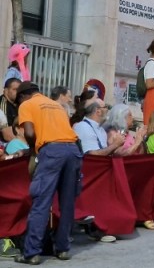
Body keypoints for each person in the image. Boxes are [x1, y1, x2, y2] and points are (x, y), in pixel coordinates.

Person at [13, 82, 82, 265]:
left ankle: (31, 253)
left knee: (41, 202)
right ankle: (63, 249)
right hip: (73, 150)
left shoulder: (27, 105)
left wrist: (34, 149)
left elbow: (29, 132)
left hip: (52, 152)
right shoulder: (56, 105)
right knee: (67, 203)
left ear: (23, 96)